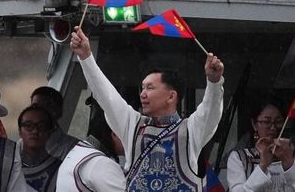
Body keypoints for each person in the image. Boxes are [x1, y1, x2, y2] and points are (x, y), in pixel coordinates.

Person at [69, 26, 225, 192]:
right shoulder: (133, 126)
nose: (142, 94)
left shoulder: (191, 131)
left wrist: (214, 82)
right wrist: (86, 57)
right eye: (142, 88)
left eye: (150, 88)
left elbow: (210, 111)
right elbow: (106, 96)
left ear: (171, 97)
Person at [225, 101, 295, 192]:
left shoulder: (294, 157)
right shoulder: (240, 158)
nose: (273, 127)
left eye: (278, 121)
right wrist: (263, 165)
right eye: (266, 122)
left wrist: (289, 164)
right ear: (254, 124)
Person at [17, 105, 63, 192]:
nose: (35, 131)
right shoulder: (8, 163)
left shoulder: (60, 170)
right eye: (28, 126)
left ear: (49, 132)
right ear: (19, 131)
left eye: (41, 126)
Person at [30, 86, 80, 159]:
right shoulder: (22, 145)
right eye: (35, 107)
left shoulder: (74, 149)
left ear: (58, 112)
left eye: (47, 106)